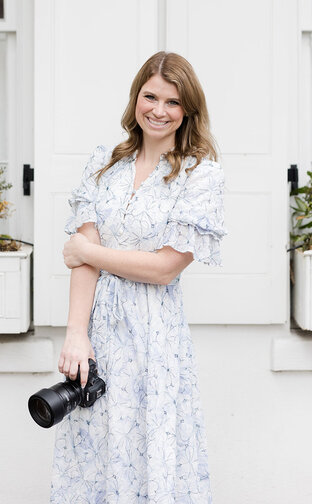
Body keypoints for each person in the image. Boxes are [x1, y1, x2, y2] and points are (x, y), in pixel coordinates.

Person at [51, 51, 226, 503]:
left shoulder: (198, 176)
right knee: (96, 448)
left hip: (154, 336)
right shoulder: (103, 165)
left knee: (149, 447)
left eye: (172, 101)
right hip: (98, 332)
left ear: (187, 110)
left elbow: (166, 268)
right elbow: (82, 263)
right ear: (135, 99)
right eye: (150, 96)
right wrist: (75, 335)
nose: (158, 110)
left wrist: (90, 250)